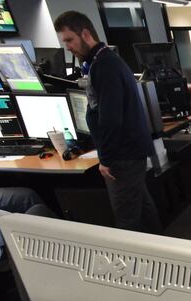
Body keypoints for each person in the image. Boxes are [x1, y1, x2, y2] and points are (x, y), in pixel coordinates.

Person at [54, 11, 161, 233]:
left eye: (69, 40)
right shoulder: (104, 61)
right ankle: (165, 253)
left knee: (126, 222)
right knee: (142, 208)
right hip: (130, 152)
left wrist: (106, 159)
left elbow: (111, 119)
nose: (68, 47)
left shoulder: (105, 66)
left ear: (85, 33)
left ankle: (134, 265)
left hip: (123, 156)